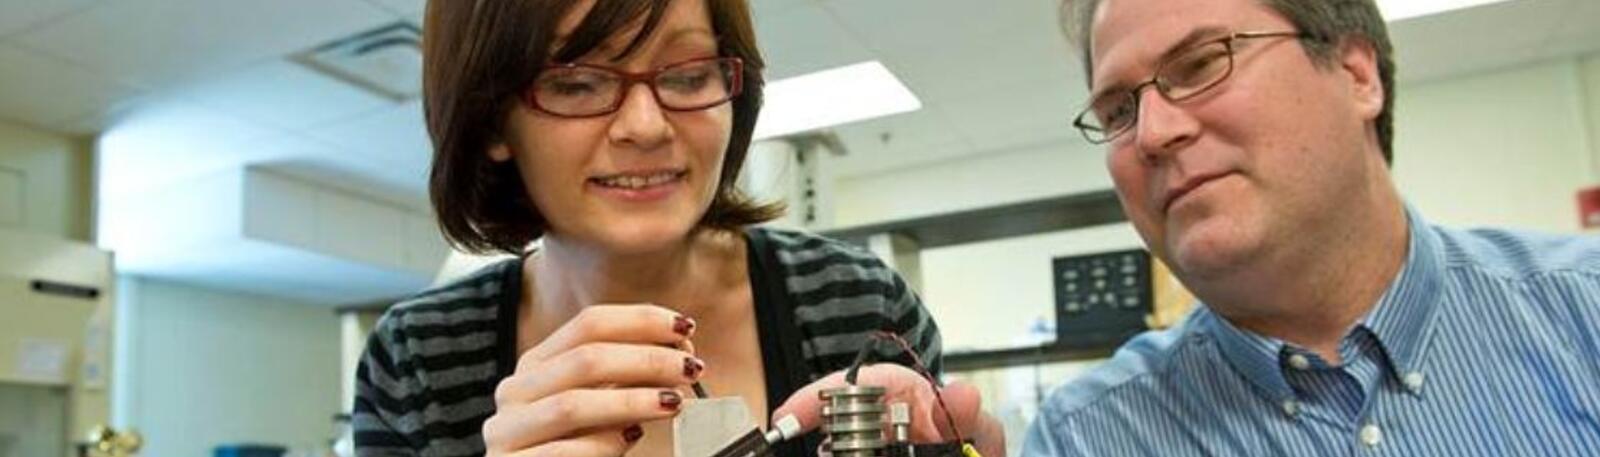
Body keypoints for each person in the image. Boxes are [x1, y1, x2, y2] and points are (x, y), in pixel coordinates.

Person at [350, 0, 1004, 456]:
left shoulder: (859, 304)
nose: (646, 125)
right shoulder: (417, 361)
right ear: (492, 119)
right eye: (577, 82)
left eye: (689, 75)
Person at [1023, 0, 1600, 455]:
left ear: (1356, 75)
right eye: (1119, 112)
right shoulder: (1083, 438)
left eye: (1200, 64)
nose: (1151, 134)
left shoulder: (1584, 311)